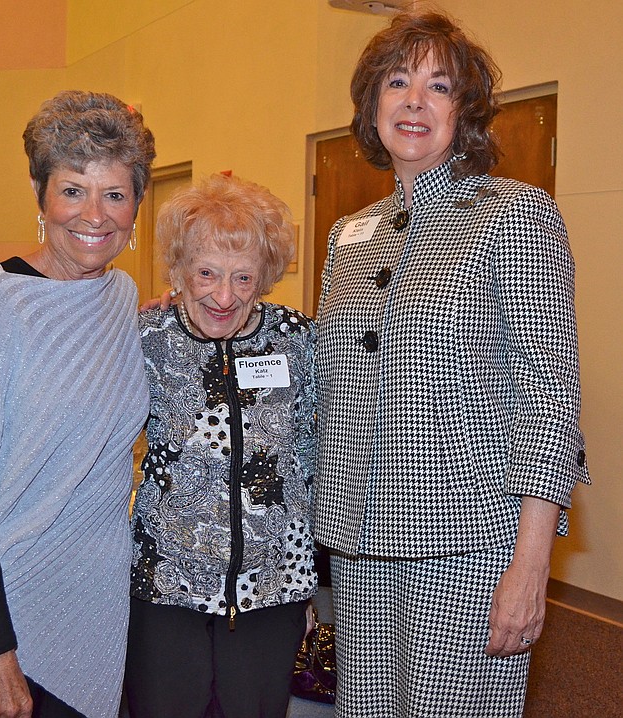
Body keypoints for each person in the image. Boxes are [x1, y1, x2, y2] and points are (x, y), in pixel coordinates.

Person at [315, 10, 590, 717]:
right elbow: (323, 375)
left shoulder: (514, 215)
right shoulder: (349, 235)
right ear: (371, 104)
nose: (414, 102)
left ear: (463, 110)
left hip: (467, 549)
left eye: (438, 86)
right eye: (397, 83)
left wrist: (530, 566)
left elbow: (549, 399)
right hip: (358, 544)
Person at [0, 90, 155, 718]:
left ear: (137, 203)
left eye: (114, 194)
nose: (95, 215)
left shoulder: (121, 298)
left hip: (87, 609)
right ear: (40, 196)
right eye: (73, 190)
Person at [126, 174, 317, 718]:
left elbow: (311, 458)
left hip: (271, 587)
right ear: (179, 270)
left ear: (266, 277)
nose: (224, 296)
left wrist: (306, 583)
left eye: (243, 277)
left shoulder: (297, 339)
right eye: (206, 273)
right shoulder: (145, 338)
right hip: (166, 585)